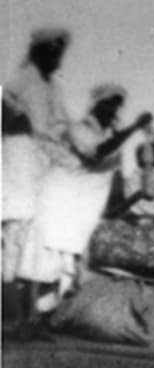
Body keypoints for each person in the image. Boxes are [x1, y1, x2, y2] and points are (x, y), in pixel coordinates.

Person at [16, 81, 150, 331]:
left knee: (67, 269)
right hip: (57, 199)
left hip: (83, 208)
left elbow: (115, 174)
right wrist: (134, 128)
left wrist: (118, 207)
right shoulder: (78, 129)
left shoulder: (115, 137)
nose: (114, 110)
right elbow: (96, 152)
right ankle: (27, 321)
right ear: (98, 105)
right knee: (39, 261)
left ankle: (41, 324)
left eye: (118, 105)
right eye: (110, 104)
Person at [2, 28, 70, 329]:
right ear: (40, 52)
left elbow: (60, 126)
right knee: (13, 235)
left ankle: (30, 316)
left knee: (35, 240)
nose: (57, 60)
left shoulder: (53, 88)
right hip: (16, 161)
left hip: (42, 166)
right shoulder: (20, 82)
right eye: (52, 53)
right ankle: (10, 313)